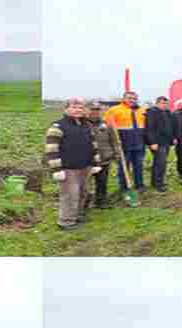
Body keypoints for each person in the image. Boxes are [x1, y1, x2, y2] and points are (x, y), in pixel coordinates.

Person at [45, 98, 101, 230]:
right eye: (74, 107)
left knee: (84, 192)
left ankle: (77, 215)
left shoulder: (86, 126)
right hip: (68, 168)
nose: (78, 110)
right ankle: (66, 221)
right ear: (66, 109)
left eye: (80, 108)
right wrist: (56, 169)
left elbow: (94, 145)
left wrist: (95, 163)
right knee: (71, 195)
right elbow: (51, 149)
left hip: (86, 166)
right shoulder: (57, 126)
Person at [103, 91, 147, 193]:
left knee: (139, 166)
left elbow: (145, 126)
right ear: (124, 99)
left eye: (134, 98)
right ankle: (124, 187)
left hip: (139, 144)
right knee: (123, 167)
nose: (132, 100)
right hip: (123, 144)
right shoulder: (114, 110)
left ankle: (139, 185)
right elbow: (106, 126)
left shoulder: (141, 110)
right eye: (129, 98)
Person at [86, 102, 120, 209]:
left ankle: (101, 202)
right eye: (92, 110)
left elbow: (114, 141)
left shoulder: (105, 125)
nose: (94, 112)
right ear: (87, 111)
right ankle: (84, 204)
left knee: (102, 183)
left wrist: (116, 153)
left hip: (104, 159)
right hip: (87, 160)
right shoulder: (82, 125)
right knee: (85, 185)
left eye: (97, 110)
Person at [144, 96, 176, 192]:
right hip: (157, 142)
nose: (164, 105)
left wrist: (173, 138)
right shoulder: (152, 112)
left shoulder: (167, 112)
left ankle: (157, 181)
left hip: (166, 142)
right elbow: (149, 128)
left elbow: (171, 126)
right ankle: (158, 184)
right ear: (157, 103)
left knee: (160, 162)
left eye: (166, 103)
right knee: (160, 163)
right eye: (162, 103)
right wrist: (152, 142)